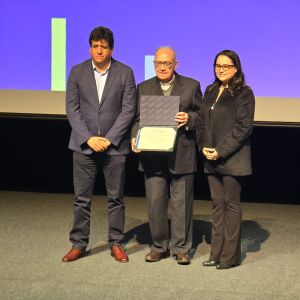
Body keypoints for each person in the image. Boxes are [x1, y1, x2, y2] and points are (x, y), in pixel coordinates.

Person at [62, 26, 136, 263]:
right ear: (90, 47)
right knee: (82, 199)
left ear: (111, 49)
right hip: (83, 147)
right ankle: (78, 243)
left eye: (104, 46)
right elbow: (72, 110)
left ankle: (116, 243)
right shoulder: (77, 71)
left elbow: (128, 110)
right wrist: (88, 138)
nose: (99, 50)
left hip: (114, 148)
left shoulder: (125, 72)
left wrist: (110, 139)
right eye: (95, 46)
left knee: (116, 198)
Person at [131, 47, 202, 265]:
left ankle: (181, 248)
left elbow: (203, 117)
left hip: (181, 153)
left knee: (182, 205)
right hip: (152, 155)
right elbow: (135, 119)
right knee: (155, 203)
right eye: (158, 63)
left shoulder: (191, 86)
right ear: (154, 64)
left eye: (167, 63)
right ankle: (158, 246)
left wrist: (189, 118)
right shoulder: (143, 88)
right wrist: (135, 137)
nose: (162, 67)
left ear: (175, 64)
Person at [197, 50, 255, 269]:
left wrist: (220, 150)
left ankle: (230, 257)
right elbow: (202, 122)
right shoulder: (210, 90)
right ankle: (216, 253)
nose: (221, 70)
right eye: (218, 66)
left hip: (232, 158)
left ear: (236, 68)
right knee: (217, 206)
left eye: (226, 66)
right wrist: (203, 147)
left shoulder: (244, 93)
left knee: (231, 205)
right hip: (210, 157)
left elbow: (244, 128)